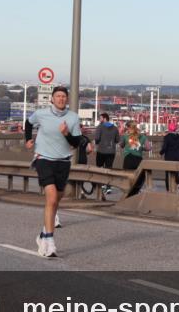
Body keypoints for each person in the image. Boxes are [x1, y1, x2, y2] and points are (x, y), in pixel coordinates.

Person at [25, 86, 89, 258]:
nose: (61, 99)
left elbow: (75, 143)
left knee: (56, 201)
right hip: (43, 158)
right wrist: (28, 139)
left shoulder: (73, 117)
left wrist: (67, 134)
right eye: (58, 96)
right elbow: (28, 123)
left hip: (63, 161)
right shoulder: (41, 114)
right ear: (52, 99)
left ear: (66, 100)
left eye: (63, 96)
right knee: (51, 197)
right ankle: (50, 241)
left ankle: (43, 234)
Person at [93, 113, 121, 193]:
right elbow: (117, 140)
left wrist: (98, 142)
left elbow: (97, 138)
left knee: (99, 168)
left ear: (104, 118)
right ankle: (108, 186)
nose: (99, 119)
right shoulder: (115, 128)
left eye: (100, 118)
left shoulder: (100, 127)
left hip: (101, 151)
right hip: (111, 151)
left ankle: (102, 185)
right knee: (109, 168)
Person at [161, 121, 179, 191]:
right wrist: (178, 150)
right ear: (175, 129)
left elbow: (164, 147)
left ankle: (168, 188)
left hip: (169, 156)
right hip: (177, 156)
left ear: (169, 129)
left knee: (168, 172)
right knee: (176, 172)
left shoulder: (167, 137)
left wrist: (161, 153)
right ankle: (177, 184)